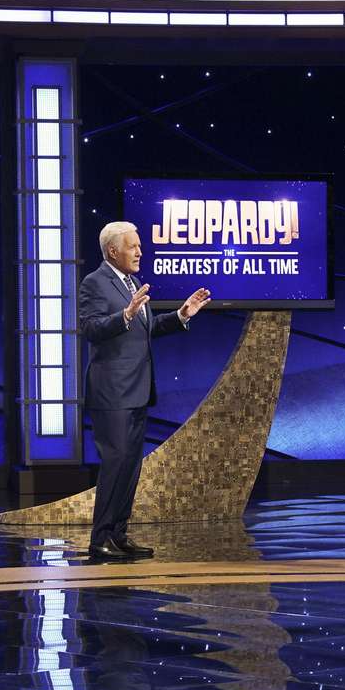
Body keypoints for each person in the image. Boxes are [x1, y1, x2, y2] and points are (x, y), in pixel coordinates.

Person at [79, 221, 211, 561]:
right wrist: (124, 314)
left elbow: (146, 327)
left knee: (130, 467)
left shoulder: (132, 282)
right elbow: (91, 328)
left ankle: (118, 534)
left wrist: (181, 315)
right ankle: (101, 539)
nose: (140, 251)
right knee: (115, 464)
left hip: (137, 391)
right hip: (112, 394)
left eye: (139, 246)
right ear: (113, 251)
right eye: (133, 246)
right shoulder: (94, 283)